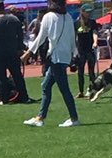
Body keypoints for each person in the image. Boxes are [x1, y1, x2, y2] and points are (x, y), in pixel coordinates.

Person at [22, 0, 79, 128]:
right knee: (46, 86)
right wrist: (72, 56)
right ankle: (40, 117)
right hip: (64, 57)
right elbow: (72, 38)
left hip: (55, 57)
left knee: (64, 89)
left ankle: (74, 117)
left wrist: (29, 53)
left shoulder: (49, 16)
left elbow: (41, 37)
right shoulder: (68, 17)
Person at [0, 1, 29, 104]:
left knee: (1, 77)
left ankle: (4, 98)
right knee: (17, 76)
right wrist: (20, 48)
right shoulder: (14, 20)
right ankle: (24, 97)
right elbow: (20, 35)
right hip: (12, 52)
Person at [74, 5, 98, 98]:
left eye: (89, 12)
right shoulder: (76, 23)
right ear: (82, 11)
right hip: (81, 50)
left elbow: (95, 32)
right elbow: (74, 36)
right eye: (87, 12)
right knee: (80, 72)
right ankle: (81, 91)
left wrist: (95, 42)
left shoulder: (92, 22)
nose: (88, 14)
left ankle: (92, 89)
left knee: (91, 71)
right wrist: (74, 49)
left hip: (90, 49)